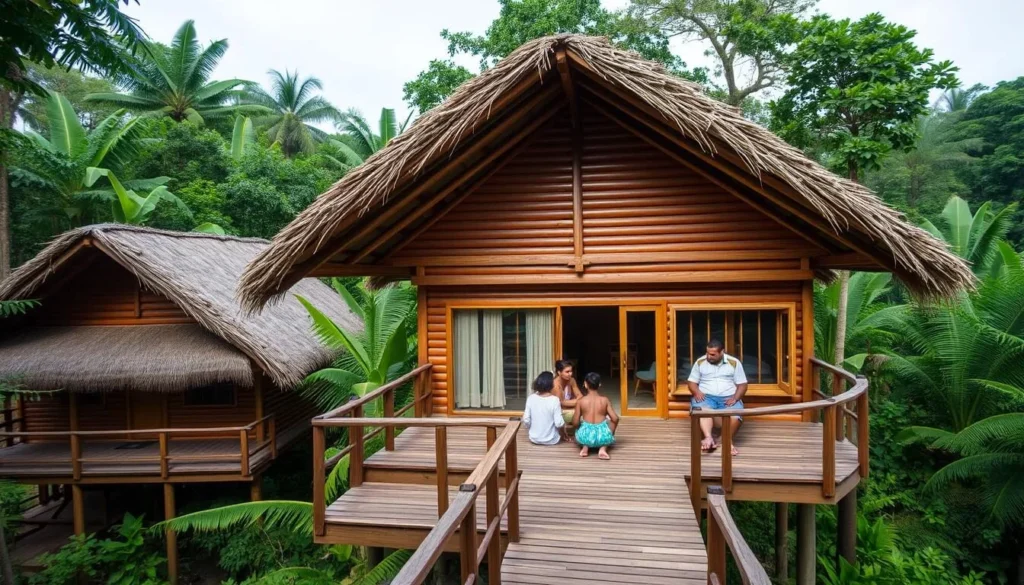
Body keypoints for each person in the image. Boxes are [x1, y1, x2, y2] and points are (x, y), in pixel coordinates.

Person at [687, 339, 747, 455]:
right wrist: (697, 392)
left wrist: (735, 397)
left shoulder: (733, 362)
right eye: (707, 353)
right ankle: (708, 437)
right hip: (706, 396)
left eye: (713, 354)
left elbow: (742, 385)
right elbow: (691, 382)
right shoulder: (700, 362)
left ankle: (726, 441)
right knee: (702, 411)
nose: (709, 357)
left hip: (728, 397)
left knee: (736, 416)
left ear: (722, 352)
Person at [572, 372, 619, 460]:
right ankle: (603, 448)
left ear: (585, 384)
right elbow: (615, 418)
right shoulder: (605, 400)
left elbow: (575, 422)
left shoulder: (581, 401)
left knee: (579, 422)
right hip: (602, 437)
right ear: (599, 384)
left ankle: (585, 447)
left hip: (584, 437)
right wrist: (611, 433)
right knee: (611, 421)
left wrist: (579, 426)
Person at [522, 371, 565, 445]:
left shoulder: (531, 398)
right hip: (552, 440)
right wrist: (564, 431)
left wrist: (532, 428)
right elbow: (559, 423)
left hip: (534, 439)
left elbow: (526, 420)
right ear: (551, 384)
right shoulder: (555, 400)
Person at [553, 359, 583, 426]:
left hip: (568, 408)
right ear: (559, 372)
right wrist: (578, 402)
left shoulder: (571, 380)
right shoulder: (556, 385)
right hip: (557, 412)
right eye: (567, 372)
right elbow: (561, 403)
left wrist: (577, 401)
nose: (570, 374)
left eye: (571, 371)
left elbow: (580, 395)